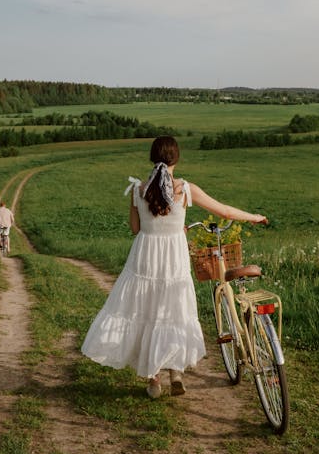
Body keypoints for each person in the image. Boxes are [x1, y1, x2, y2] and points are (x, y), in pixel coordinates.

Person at [81, 136, 268, 399]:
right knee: (173, 311)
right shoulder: (185, 189)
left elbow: (135, 229)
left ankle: (154, 380)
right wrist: (254, 217)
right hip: (173, 257)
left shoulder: (138, 190)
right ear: (176, 159)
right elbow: (224, 211)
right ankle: (175, 372)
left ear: (152, 157)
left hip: (145, 256)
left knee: (146, 311)